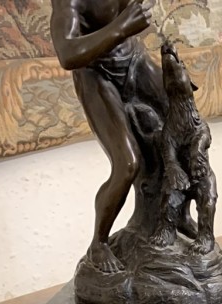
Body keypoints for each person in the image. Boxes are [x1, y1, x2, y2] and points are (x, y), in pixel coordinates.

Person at [50, 0, 170, 272]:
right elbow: (67, 53)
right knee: (127, 163)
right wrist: (122, 26)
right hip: (95, 73)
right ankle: (99, 243)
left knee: (182, 117)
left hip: (133, 59)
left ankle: (171, 215)